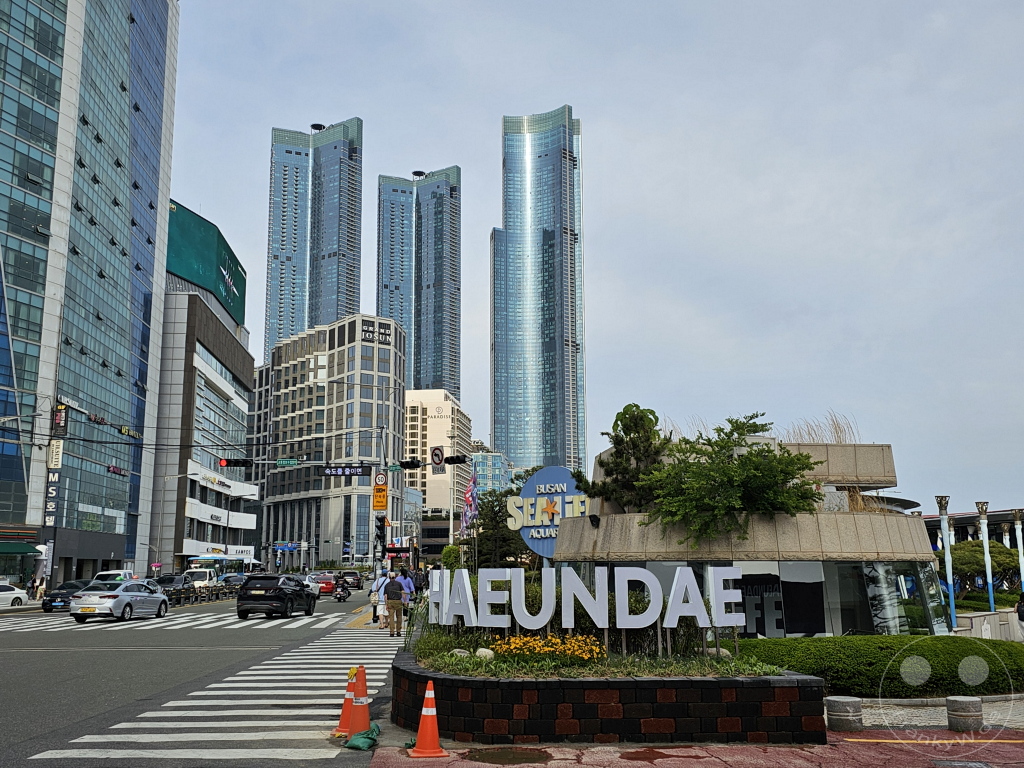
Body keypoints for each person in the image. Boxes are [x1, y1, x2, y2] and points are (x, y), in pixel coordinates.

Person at [383, 571, 409, 637]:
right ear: (395, 577)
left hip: (390, 601)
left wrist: (386, 604)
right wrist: (405, 601)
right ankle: (398, 631)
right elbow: (403, 592)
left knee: (391, 617)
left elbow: (385, 596)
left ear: (389, 577)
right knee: (399, 616)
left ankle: (392, 632)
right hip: (398, 601)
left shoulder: (387, 585)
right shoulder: (399, 584)